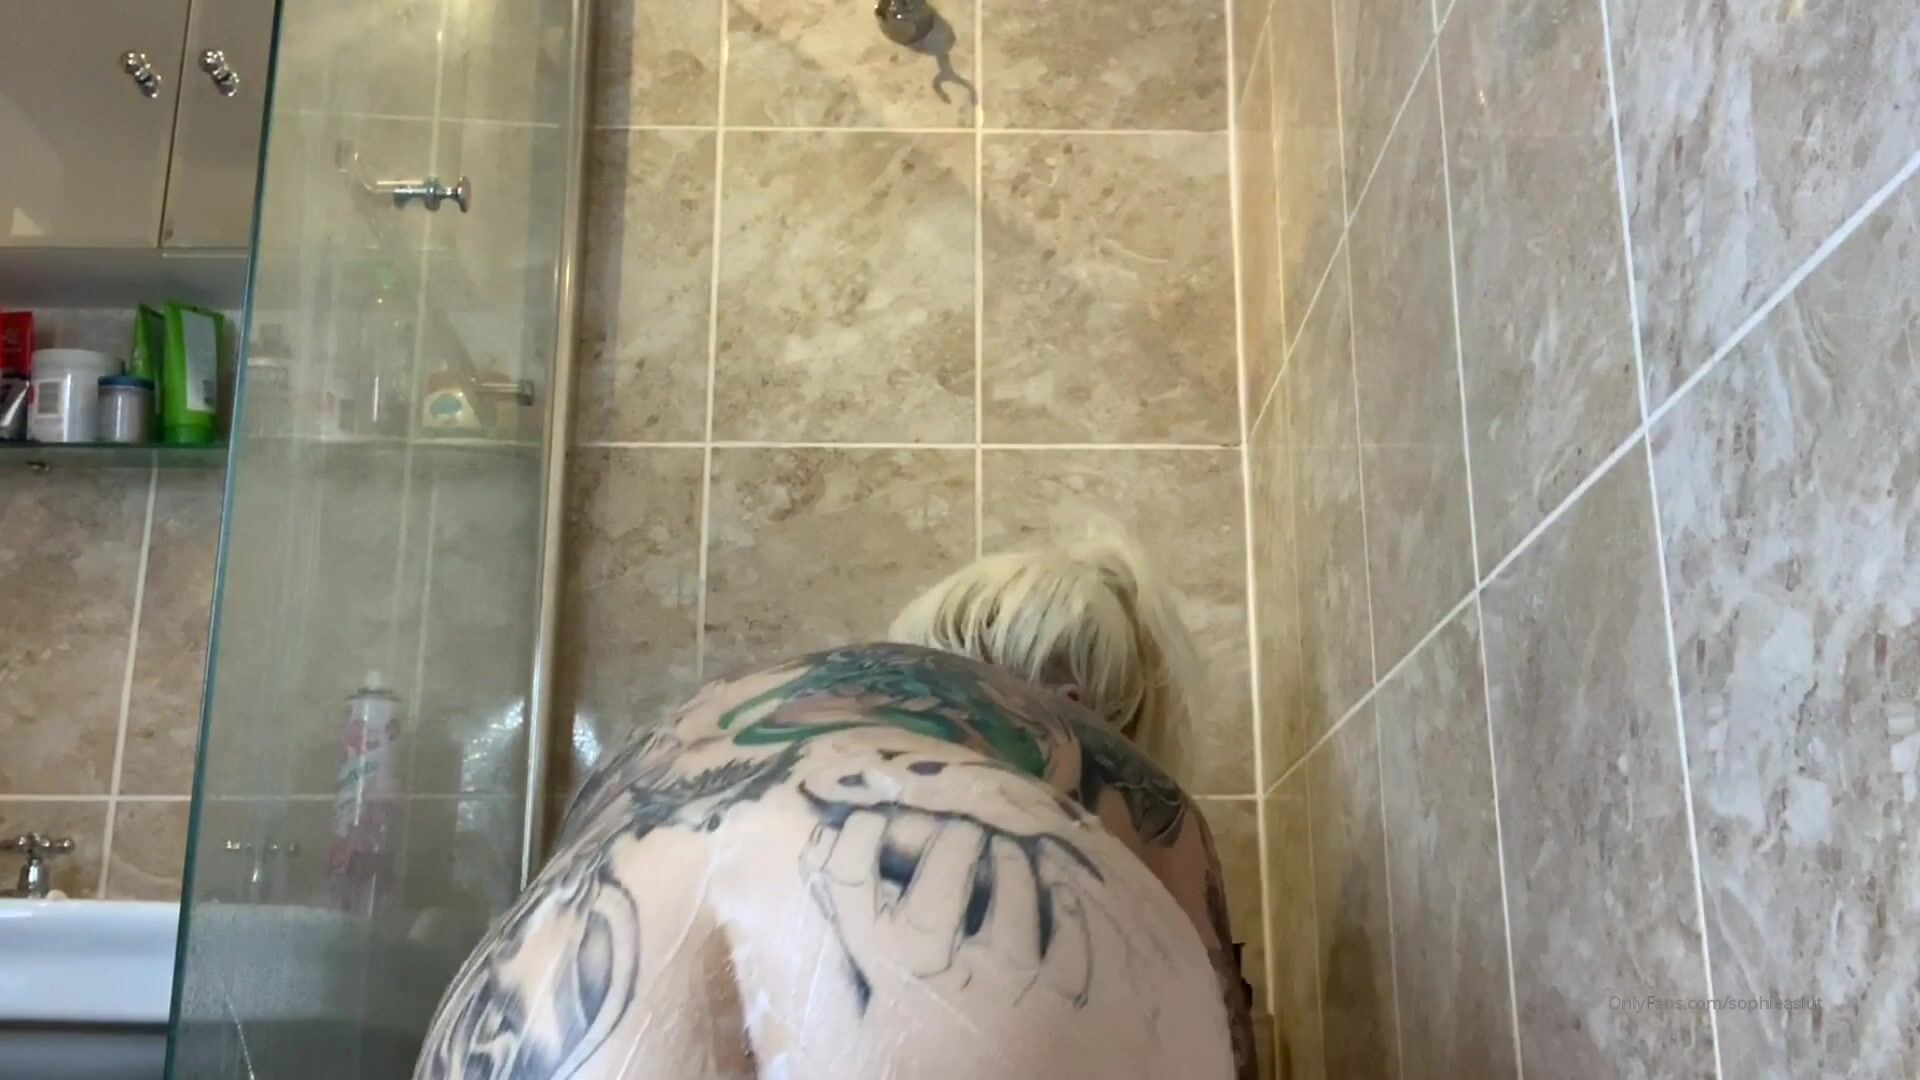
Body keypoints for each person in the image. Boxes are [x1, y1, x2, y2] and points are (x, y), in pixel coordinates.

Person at [415, 530, 1255, 1080]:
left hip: (570, 947)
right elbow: (1222, 1032)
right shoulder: (1114, 773)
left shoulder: (730, 713)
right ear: (1076, 705)